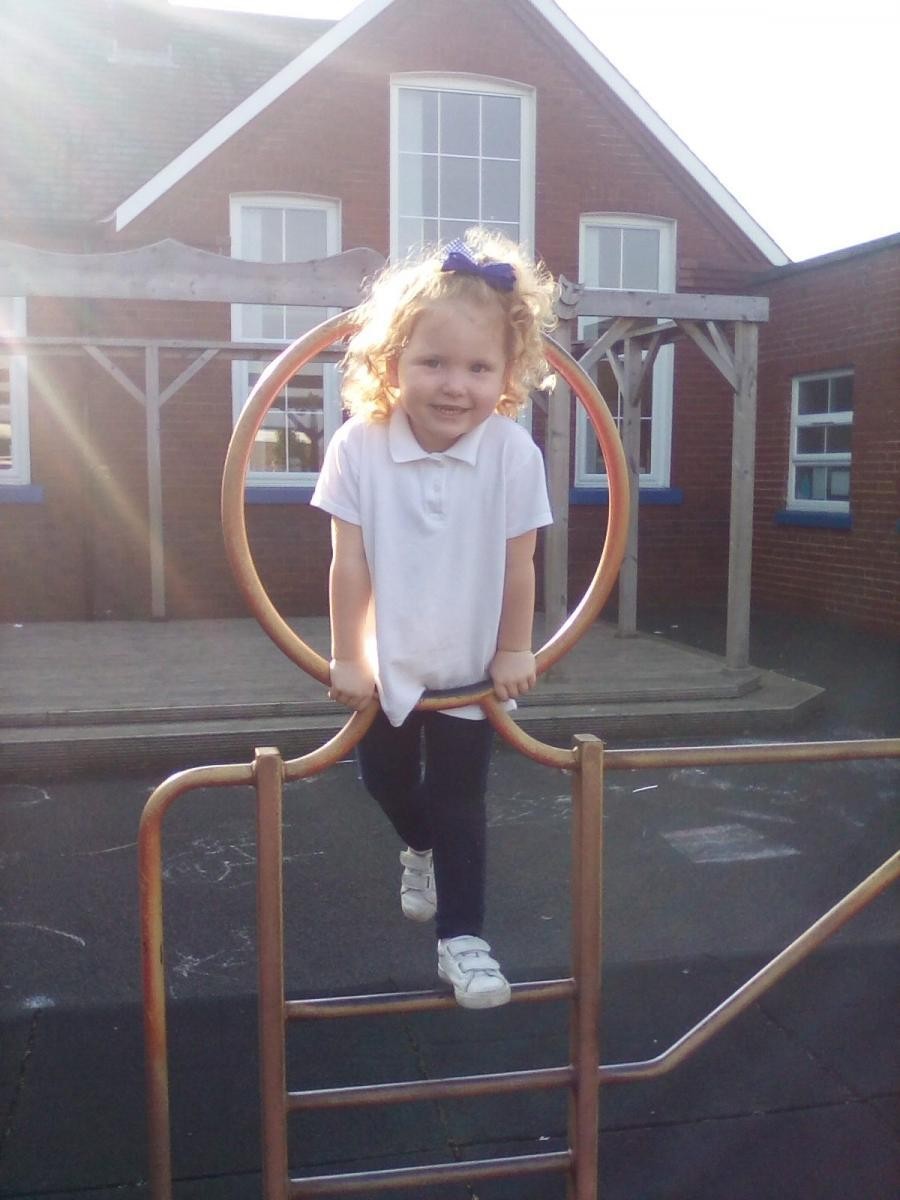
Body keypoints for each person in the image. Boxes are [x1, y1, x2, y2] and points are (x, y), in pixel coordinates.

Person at [311, 228, 557, 1009]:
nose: (456, 386)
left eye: (479, 368)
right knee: (383, 779)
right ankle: (415, 847)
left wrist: (515, 648)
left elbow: (520, 563)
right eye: (434, 364)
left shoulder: (513, 453)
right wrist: (348, 655)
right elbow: (348, 561)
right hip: (390, 660)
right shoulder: (360, 445)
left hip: (468, 663)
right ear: (392, 365)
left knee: (462, 802)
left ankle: (465, 940)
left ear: (509, 376)